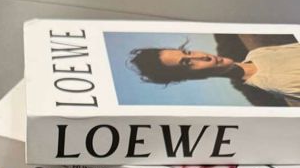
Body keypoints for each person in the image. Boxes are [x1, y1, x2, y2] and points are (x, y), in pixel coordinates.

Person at [128, 40, 300, 102]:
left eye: (188, 52)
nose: (202, 56)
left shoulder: (257, 53)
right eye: (188, 63)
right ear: (194, 77)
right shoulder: (275, 83)